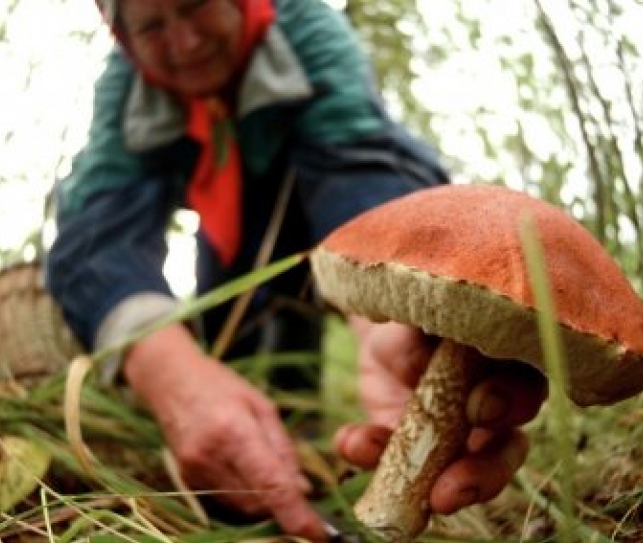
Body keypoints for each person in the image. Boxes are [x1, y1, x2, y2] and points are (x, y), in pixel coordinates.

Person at [47, 0, 547, 540]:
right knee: (226, 349)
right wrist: (169, 373)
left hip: (301, 219)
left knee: (284, 336)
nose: (185, 42)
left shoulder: (305, 28)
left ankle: (299, 441)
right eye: (151, 26)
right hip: (221, 233)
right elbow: (99, 228)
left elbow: (360, 165)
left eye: (195, 6)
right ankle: (243, 472)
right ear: (122, 35)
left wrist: (397, 315)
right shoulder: (125, 84)